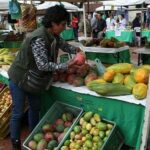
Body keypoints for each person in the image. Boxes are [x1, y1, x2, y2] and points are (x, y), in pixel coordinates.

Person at [8, 6, 81, 150]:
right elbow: (43, 65)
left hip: (34, 80)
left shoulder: (53, 35)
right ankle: (15, 143)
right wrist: (67, 64)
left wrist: (77, 51)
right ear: (53, 23)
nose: (64, 28)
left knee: (35, 108)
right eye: (62, 24)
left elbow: (64, 45)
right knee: (18, 112)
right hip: (20, 78)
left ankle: (32, 136)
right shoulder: (39, 37)